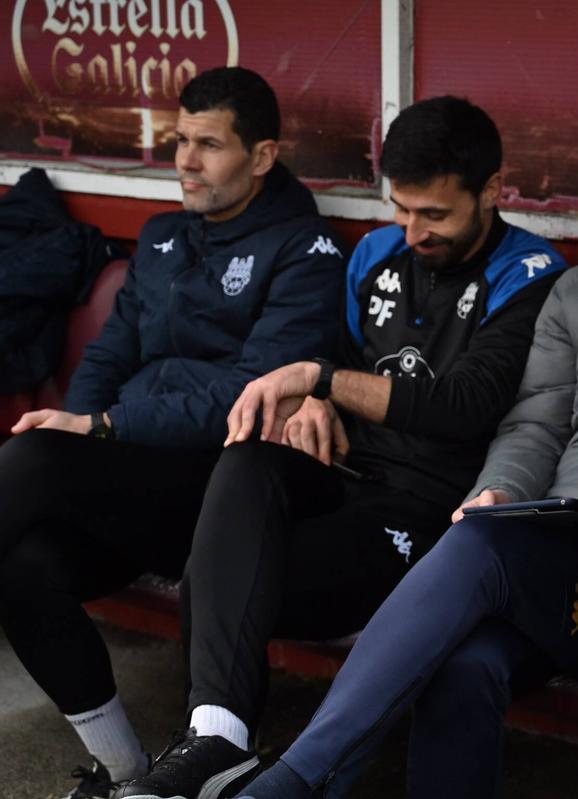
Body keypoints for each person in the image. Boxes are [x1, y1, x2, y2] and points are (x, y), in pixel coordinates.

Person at [231, 84, 578, 799]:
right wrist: (497, 493)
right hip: (558, 538)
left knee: (477, 547)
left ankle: (298, 780)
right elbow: (534, 424)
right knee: (464, 660)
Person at [114, 96, 567, 799]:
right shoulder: (377, 254)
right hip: (347, 473)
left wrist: (320, 379)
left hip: (428, 513)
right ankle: (217, 740)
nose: (414, 230)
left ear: (492, 191)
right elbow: (344, 361)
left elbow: (465, 406)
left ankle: (218, 755)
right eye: (402, 209)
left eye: (436, 215)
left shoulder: (531, 271)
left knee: (215, 580)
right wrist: (317, 400)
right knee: (246, 460)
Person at [0, 67, 345, 799]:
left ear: (261, 156)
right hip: (127, 476)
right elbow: (109, 354)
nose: (184, 160)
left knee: (30, 458)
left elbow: (247, 398)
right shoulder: (162, 237)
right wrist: (87, 425)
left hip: (216, 490)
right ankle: (128, 775)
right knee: (24, 565)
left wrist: (96, 425)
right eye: (180, 140)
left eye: (208, 145)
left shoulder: (304, 251)